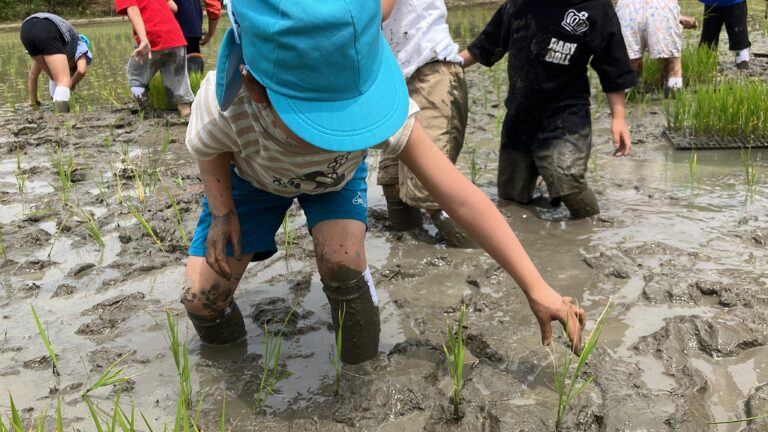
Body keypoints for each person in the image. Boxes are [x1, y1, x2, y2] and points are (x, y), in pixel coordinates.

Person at [181, 0, 586, 365]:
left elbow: (460, 197)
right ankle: (227, 367)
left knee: (342, 264)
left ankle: (360, 372)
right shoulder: (226, 103)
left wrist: (536, 287)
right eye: (320, 123)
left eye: (348, 120)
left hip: (333, 181)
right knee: (201, 300)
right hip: (253, 182)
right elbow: (209, 147)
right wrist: (221, 212)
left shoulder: (374, 109)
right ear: (253, 85)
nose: (335, 131)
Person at [460, 0, 636, 218]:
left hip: (565, 113)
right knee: (512, 195)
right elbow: (484, 46)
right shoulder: (518, 5)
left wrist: (618, 118)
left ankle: (589, 223)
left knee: (566, 177)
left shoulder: (594, 7)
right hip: (520, 115)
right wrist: (448, 64)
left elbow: (613, 64)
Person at [376, 0, 473, 247]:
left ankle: (481, 255)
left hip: (431, 72)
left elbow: (378, 12)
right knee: (392, 182)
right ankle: (413, 253)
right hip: (394, 81)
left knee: (432, 187)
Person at [116, 0, 194, 117]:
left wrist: (144, 40)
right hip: (175, 37)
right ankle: (187, 119)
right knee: (181, 94)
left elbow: (132, 9)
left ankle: (148, 113)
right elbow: (174, 8)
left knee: (135, 76)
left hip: (152, 37)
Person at [616, 0, 698, 95]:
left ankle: (627, 88)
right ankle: (673, 85)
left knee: (629, 57)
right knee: (670, 57)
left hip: (627, 7)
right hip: (662, 6)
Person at [19, 13, 94, 113]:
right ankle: (60, 117)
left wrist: (33, 101)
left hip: (26, 29)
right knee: (63, 81)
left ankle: (53, 104)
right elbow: (81, 71)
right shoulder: (80, 44)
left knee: (55, 77)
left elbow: (33, 75)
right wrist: (71, 83)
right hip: (48, 28)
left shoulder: (52, 49)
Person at [698, 0, 751, 69]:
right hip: (712, 3)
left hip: (734, 4)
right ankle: (704, 64)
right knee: (708, 42)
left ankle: (742, 64)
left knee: (740, 41)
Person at [174, 0, 221, 73]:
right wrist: (210, 33)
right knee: (193, 73)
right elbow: (213, 6)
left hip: (163, 22)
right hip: (191, 22)